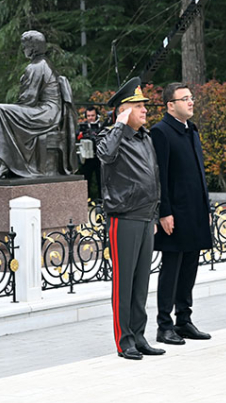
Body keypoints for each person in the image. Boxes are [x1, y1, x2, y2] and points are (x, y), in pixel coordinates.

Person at [96, 76, 165, 361]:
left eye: (144, 106)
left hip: (146, 216)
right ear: (123, 111)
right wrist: (119, 125)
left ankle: (139, 335)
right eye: (138, 106)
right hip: (124, 217)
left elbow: (154, 176)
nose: (145, 110)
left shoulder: (144, 137)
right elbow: (104, 155)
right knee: (124, 283)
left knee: (140, 282)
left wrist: (157, 212)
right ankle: (124, 340)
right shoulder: (111, 137)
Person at [0, 30, 78, 178]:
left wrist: (15, 108)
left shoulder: (37, 66)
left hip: (46, 113)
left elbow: (28, 100)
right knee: (2, 113)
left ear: (33, 47)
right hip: (48, 112)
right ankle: (4, 163)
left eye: (25, 45)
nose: (23, 49)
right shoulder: (43, 64)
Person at [151, 83, 214, 346]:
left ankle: (184, 320)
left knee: (190, 267)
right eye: (184, 98)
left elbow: (199, 173)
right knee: (172, 268)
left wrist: (206, 206)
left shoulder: (191, 130)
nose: (190, 102)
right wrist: (163, 211)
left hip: (194, 211)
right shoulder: (161, 132)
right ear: (170, 105)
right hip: (174, 213)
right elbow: (159, 176)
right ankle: (164, 325)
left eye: (191, 98)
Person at [77, 106, 102, 200]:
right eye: (88, 116)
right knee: (86, 179)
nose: (90, 118)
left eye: (92, 115)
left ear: (97, 115)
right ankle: (87, 199)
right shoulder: (82, 126)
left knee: (101, 179)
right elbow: (77, 138)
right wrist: (82, 135)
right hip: (87, 158)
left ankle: (101, 199)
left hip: (99, 157)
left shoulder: (101, 126)